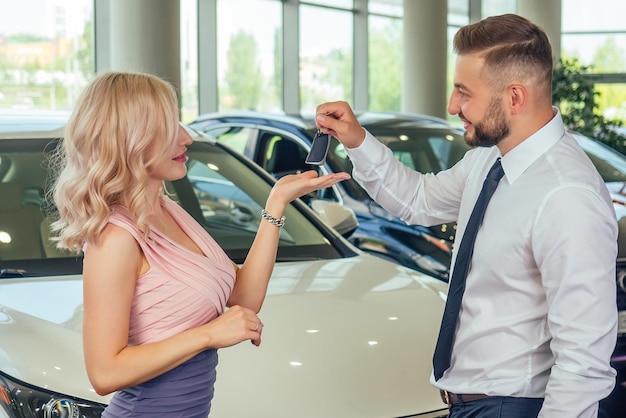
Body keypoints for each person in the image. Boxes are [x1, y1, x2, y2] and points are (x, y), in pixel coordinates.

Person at [315, 13, 618, 418]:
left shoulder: (567, 195)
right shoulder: (488, 161)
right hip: (471, 405)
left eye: (463, 92)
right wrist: (356, 139)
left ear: (514, 97)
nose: (452, 105)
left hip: (517, 408)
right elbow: (418, 200)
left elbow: (584, 363)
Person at [49, 71, 350, 417]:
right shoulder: (116, 237)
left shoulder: (167, 210)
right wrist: (207, 335)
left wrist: (277, 202)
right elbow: (105, 373)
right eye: (169, 126)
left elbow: (243, 297)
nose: (186, 137)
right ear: (131, 138)